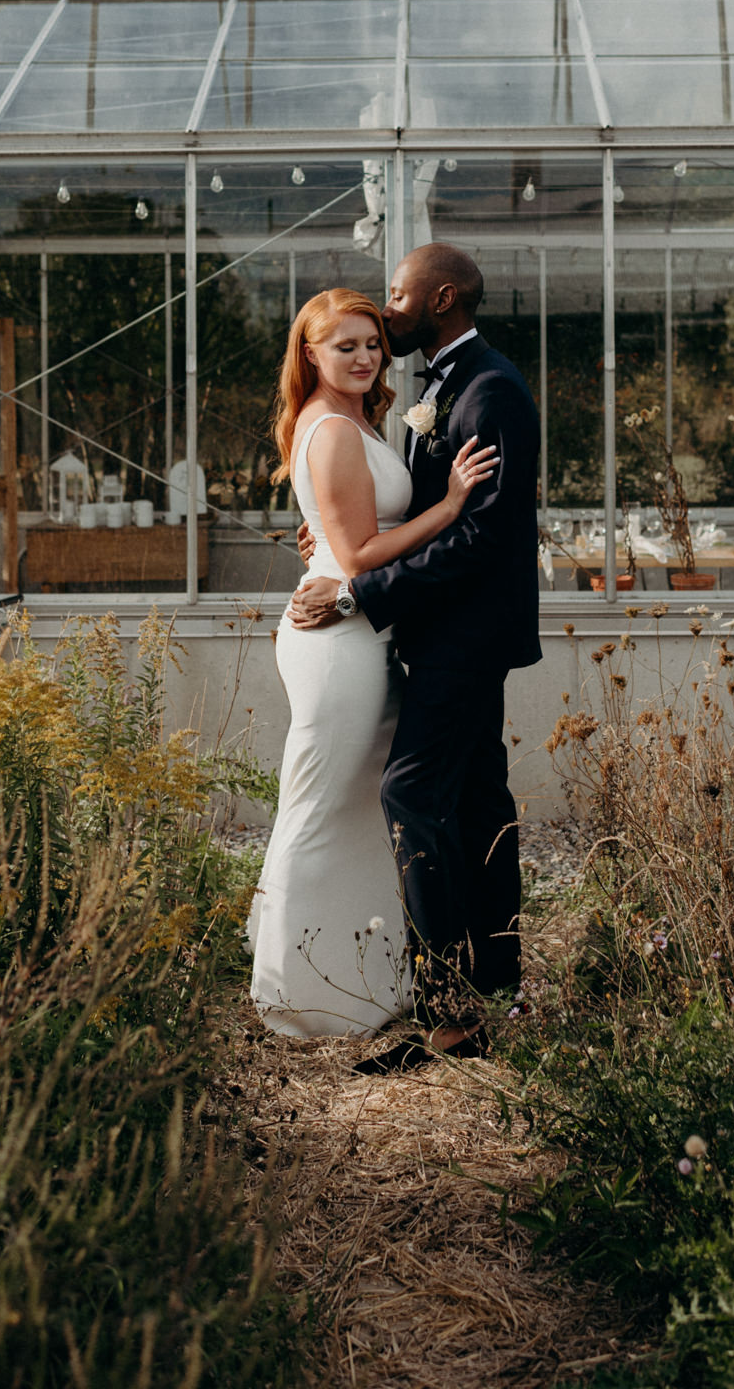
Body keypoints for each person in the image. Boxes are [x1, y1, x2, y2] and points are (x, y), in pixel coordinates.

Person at [289, 244, 541, 1073]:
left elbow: (484, 533)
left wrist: (362, 592)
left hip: (464, 638)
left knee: (411, 792)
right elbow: (401, 512)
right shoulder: (436, 387)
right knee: (474, 802)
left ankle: (446, 1014)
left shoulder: (489, 388)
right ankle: (494, 985)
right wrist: (332, 546)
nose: (384, 314)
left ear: (438, 299)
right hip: (435, 634)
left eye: (395, 298)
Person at [248, 286, 498, 1039]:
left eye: (369, 344)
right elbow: (356, 554)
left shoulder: (356, 419)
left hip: (365, 625)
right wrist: (450, 504)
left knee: (358, 802)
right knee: (321, 799)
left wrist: (322, 536)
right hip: (339, 640)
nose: (362, 357)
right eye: (343, 346)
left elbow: (339, 531)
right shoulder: (330, 430)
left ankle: (356, 981)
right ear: (309, 353)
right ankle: (295, 996)